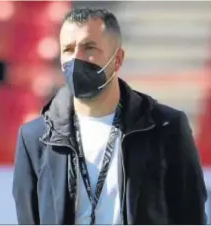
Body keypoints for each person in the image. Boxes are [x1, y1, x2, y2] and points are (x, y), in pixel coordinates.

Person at [12, 7, 207, 225]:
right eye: (68, 49)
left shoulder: (166, 127)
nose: (77, 59)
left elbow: (191, 216)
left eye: (89, 48)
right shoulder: (35, 137)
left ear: (118, 59)